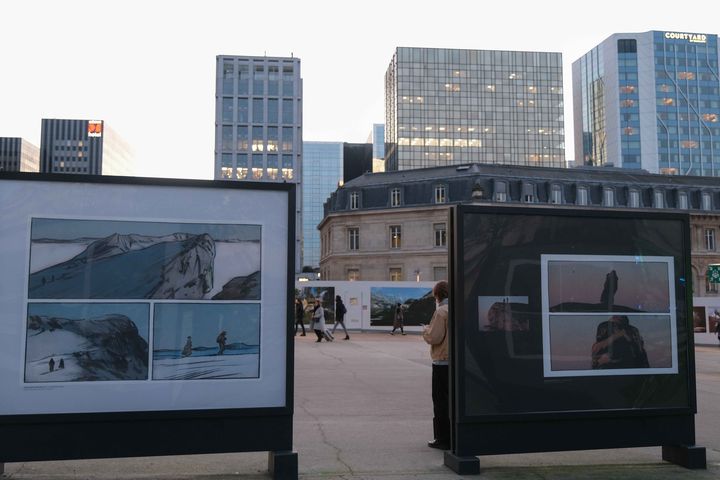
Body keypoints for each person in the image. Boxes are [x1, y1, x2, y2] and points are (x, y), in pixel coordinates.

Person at [422, 280, 450, 450]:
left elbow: (434, 337)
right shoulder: (457, 308)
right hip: (454, 361)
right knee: (451, 400)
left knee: (440, 401)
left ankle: (442, 438)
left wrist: (425, 330)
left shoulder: (441, 312)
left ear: (437, 295)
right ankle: (453, 435)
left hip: (441, 361)